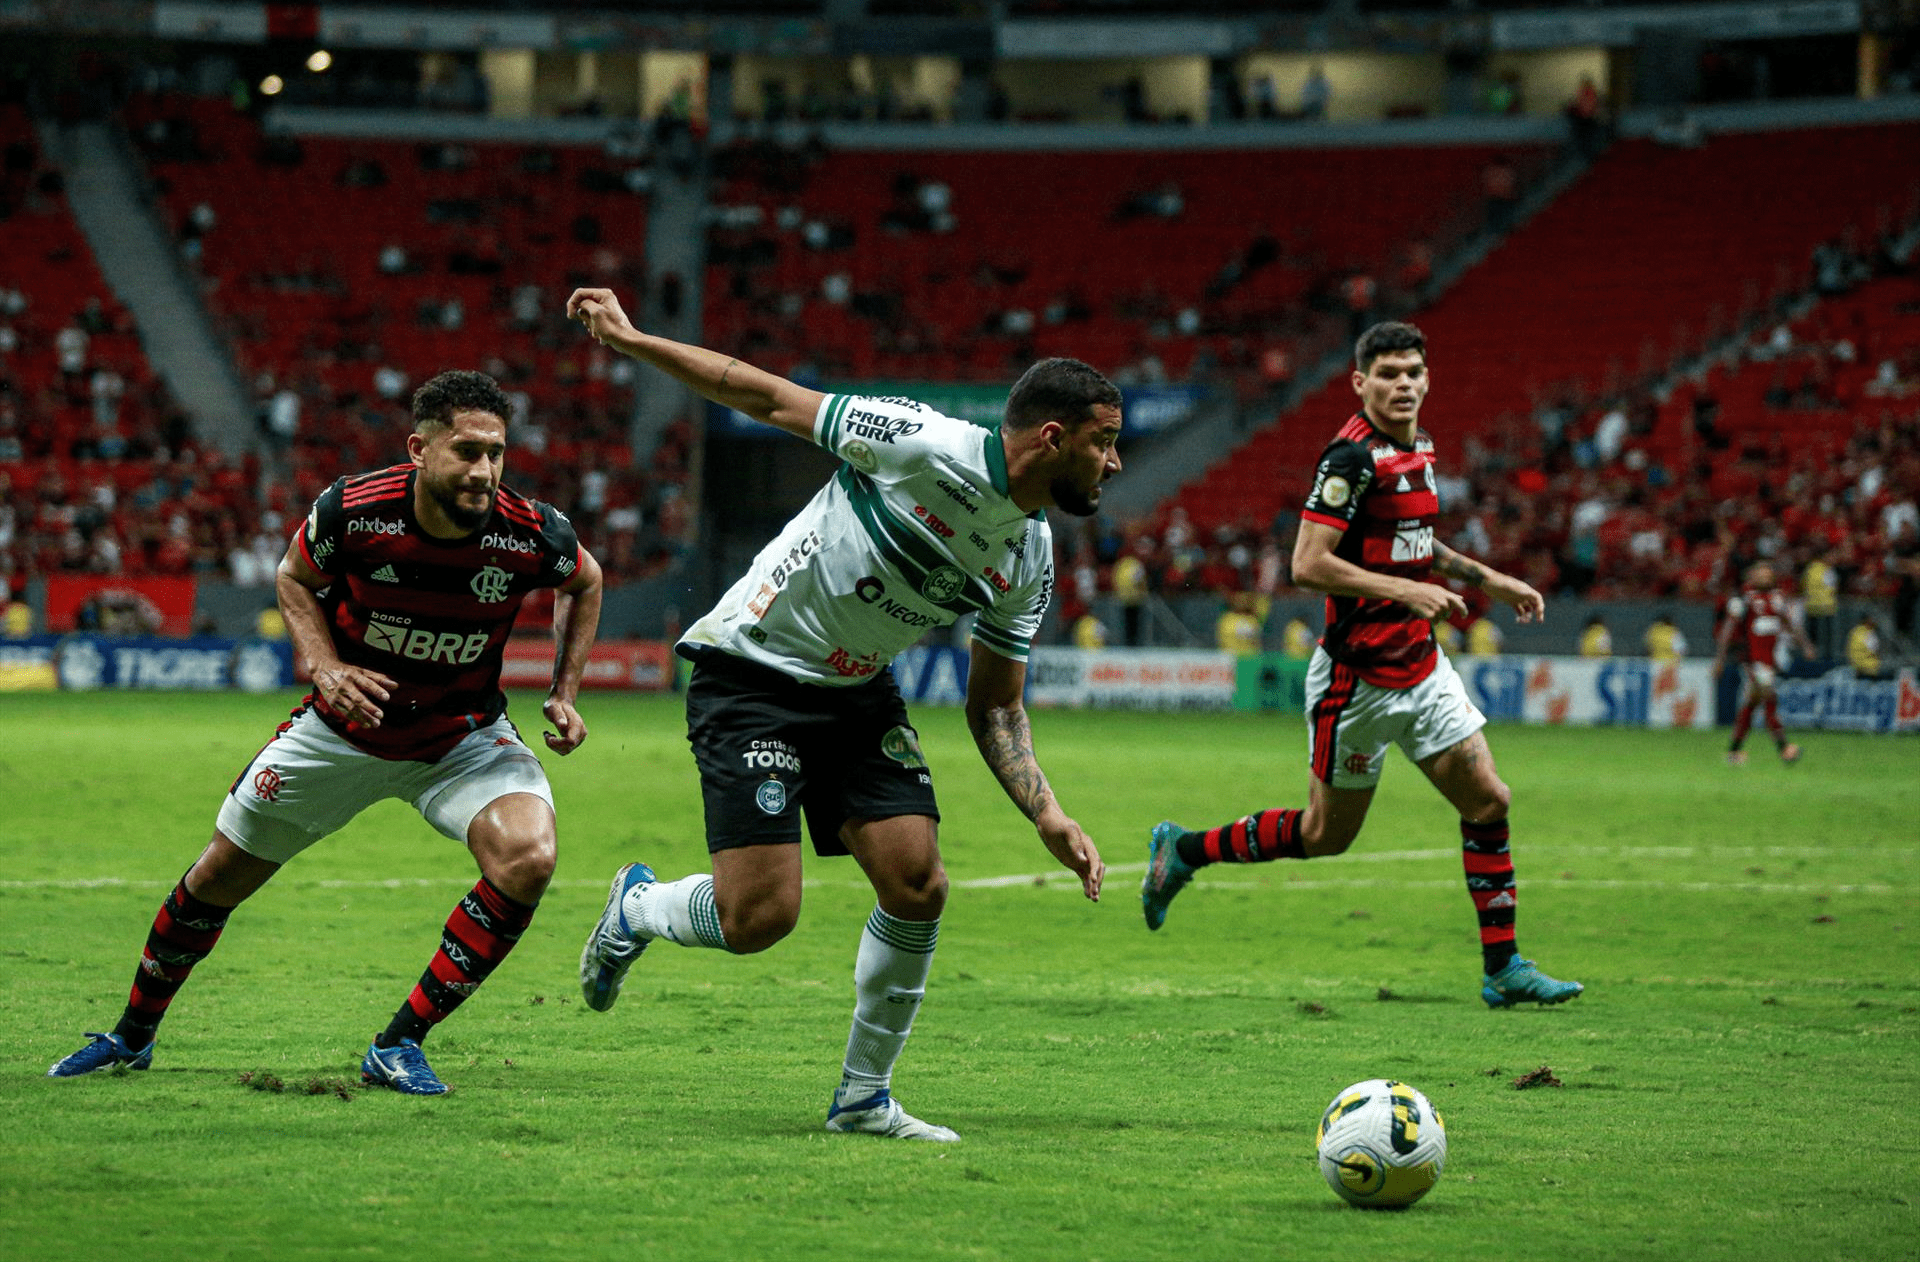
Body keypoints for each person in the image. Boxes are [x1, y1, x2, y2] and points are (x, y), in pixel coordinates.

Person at [566, 285, 1115, 1142]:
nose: (1112, 463)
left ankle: (864, 1096)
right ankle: (637, 907)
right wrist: (635, 342)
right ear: (1053, 437)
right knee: (760, 919)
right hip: (752, 671)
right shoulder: (922, 441)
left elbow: (997, 705)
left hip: (857, 692)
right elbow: (765, 394)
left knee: (919, 880)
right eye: (1103, 442)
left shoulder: (1030, 553)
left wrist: (1046, 810)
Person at [47, 371, 605, 1094]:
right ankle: (132, 1034)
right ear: (419, 448)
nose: (484, 471)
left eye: (497, 453)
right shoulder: (355, 511)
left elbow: (584, 581)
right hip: (342, 732)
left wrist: (565, 690)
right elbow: (293, 577)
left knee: (529, 856)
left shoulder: (529, 530)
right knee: (216, 878)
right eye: (467, 452)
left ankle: (398, 1044)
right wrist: (326, 664)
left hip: (460, 738)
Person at [1140, 321, 1582, 1010]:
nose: (1403, 384)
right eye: (1388, 374)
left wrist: (1489, 578)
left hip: (1423, 666)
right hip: (1358, 681)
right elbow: (1308, 564)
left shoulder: (1421, 447)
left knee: (1489, 799)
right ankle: (1185, 849)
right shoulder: (1348, 459)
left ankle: (1504, 968)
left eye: (1413, 372)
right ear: (1360, 382)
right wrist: (1407, 591)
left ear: (1427, 379)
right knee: (1325, 836)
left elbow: (1414, 542)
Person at [1713, 561, 1815, 766]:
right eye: (1761, 573)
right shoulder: (1743, 599)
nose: (1765, 577)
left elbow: (1790, 624)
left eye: (1768, 573)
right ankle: (1785, 749)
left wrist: (1805, 645)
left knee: (1751, 705)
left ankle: (1734, 752)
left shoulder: (1777, 599)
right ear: (1751, 577)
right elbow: (1727, 631)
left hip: (1769, 661)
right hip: (1752, 660)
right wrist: (1720, 660)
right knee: (1770, 699)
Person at [1846, 615, 1882, 679]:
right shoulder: (1869, 633)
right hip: (1870, 669)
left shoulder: (1854, 631)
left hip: (1856, 667)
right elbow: (1874, 648)